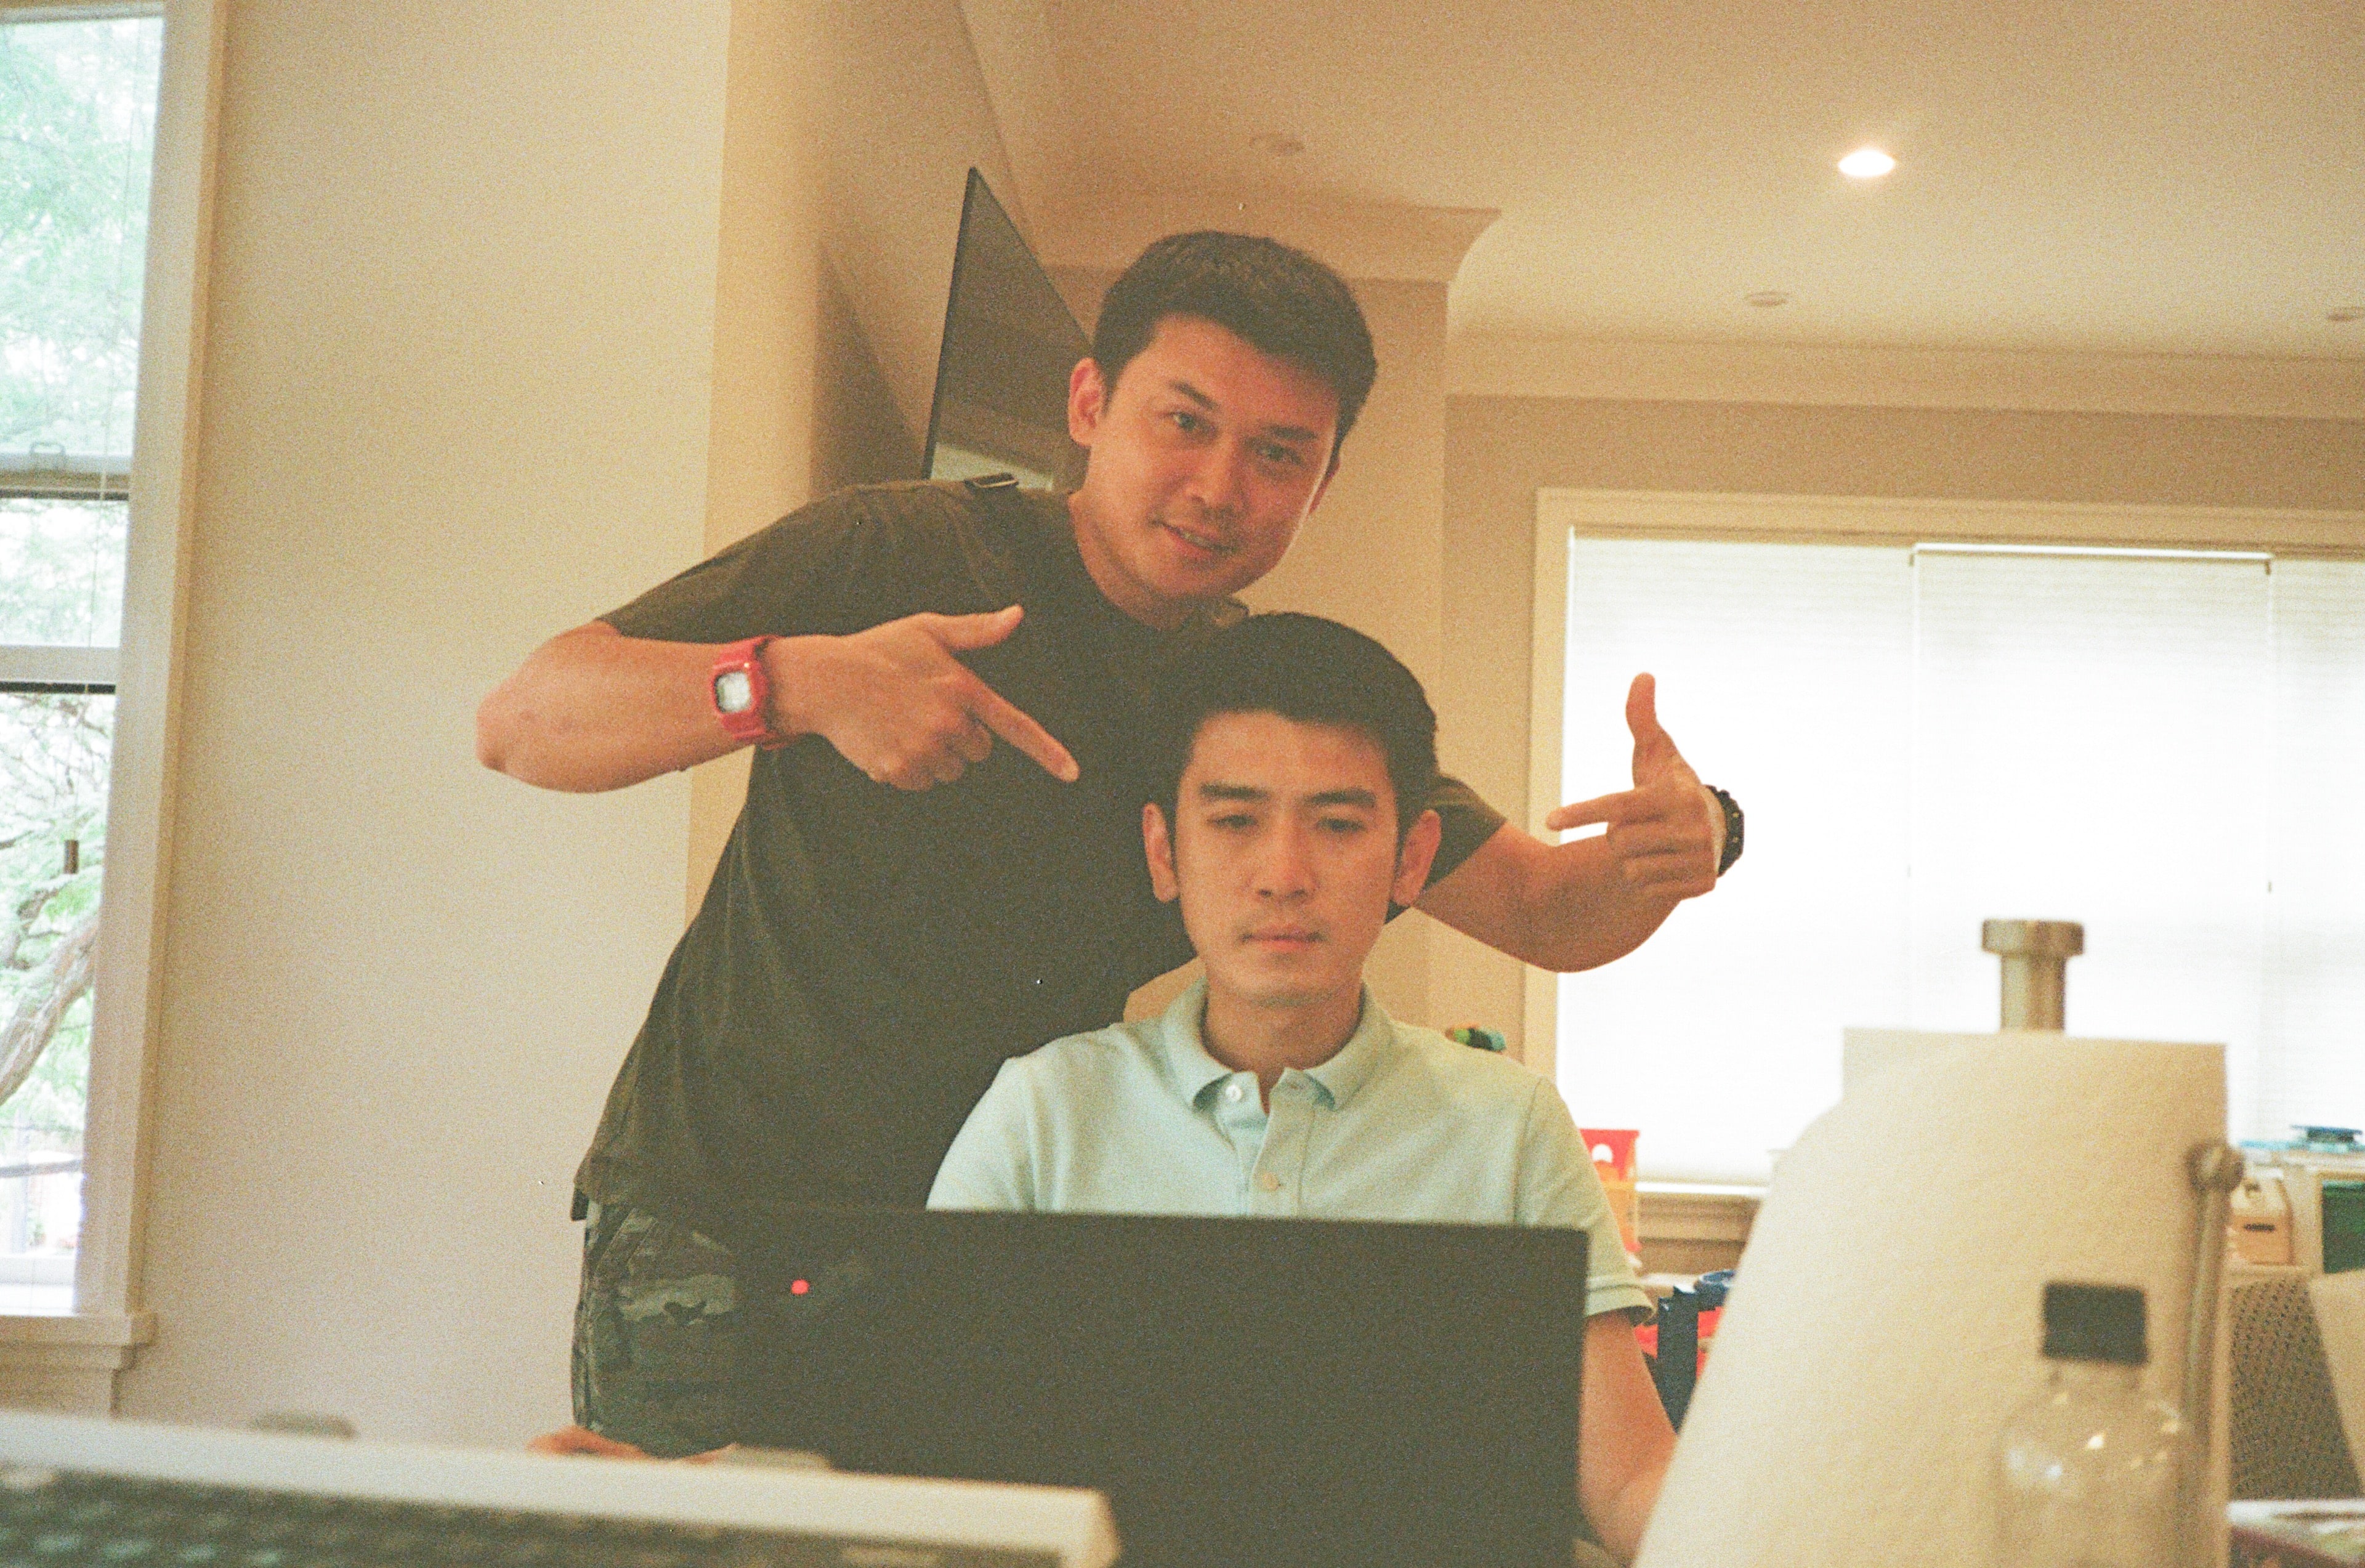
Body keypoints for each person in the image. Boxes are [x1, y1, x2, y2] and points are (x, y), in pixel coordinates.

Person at [477, 232, 1739, 1458]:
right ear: (1089, 402)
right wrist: (793, 682)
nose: (1219, 487)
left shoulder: (1239, 700)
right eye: (1184, 421)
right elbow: (526, 720)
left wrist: (1699, 836)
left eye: (1278, 453)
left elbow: (1546, 909)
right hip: (727, 1224)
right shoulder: (900, 549)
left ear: (1321, 484)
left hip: (1020, 1243)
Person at [929, 612, 1675, 1566]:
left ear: (1412, 858)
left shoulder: (1511, 1126)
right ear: (1164, 851)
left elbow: (1629, 1479)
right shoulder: (1041, 1114)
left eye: (1338, 824)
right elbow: (930, 1463)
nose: (1283, 875)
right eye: (1235, 820)